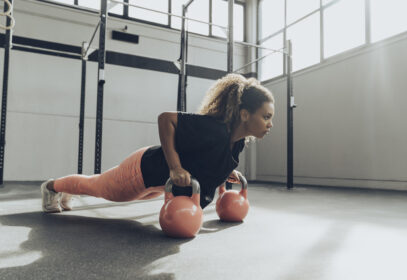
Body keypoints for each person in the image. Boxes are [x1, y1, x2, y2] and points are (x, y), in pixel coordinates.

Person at [41, 73, 275, 213]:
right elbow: (166, 119)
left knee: (97, 185)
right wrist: (175, 166)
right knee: (97, 187)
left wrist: (226, 170)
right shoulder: (213, 128)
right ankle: (52, 187)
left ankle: (64, 189)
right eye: (266, 117)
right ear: (244, 115)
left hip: (157, 182)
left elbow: (206, 159)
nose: (270, 124)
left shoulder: (237, 143)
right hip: (142, 170)